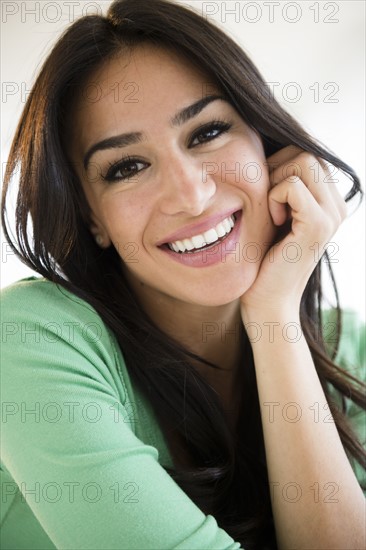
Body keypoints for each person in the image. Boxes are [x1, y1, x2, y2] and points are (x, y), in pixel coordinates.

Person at [1, 0, 365, 548]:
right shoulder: (31, 339)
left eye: (207, 132)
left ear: (265, 144)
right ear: (92, 219)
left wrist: (272, 318)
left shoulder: (346, 346)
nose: (191, 194)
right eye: (127, 167)